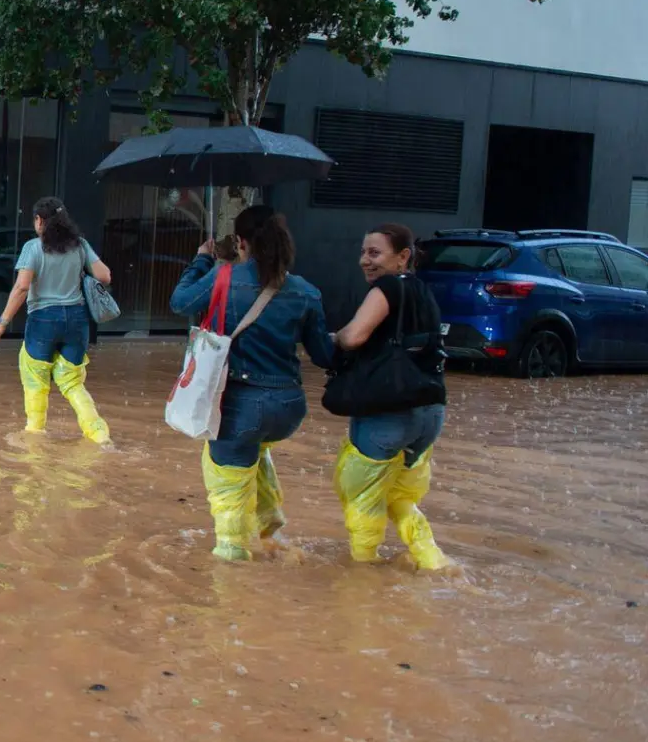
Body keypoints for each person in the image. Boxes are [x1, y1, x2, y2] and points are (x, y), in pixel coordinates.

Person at [170, 205, 334, 561]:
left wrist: (201, 260)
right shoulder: (306, 291)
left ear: (241, 242)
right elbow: (324, 355)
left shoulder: (224, 277)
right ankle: (269, 528)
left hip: (241, 407)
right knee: (255, 451)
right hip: (288, 408)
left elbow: (180, 302)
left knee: (227, 486)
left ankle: (233, 566)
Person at [330, 224, 450, 570]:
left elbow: (354, 336)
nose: (365, 261)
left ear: (403, 256)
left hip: (389, 412)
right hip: (429, 415)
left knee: (361, 497)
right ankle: (432, 561)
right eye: (363, 252)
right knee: (399, 497)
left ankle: (364, 574)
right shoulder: (423, 292)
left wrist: (334, 337)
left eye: (374, 253)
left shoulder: (386, 288)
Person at [0, 197, 112, 445]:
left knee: (35, 378)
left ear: (39, 220)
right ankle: (100, 436)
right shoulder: (80, 245)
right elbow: (104, 276)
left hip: (43, 320)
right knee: (73, 382)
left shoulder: (33, 248)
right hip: (76, 320)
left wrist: (1, 324)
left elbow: (22, 288)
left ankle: (35, 436)